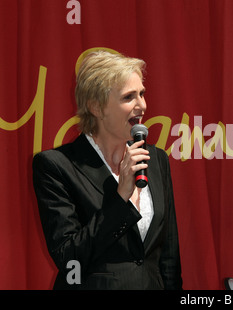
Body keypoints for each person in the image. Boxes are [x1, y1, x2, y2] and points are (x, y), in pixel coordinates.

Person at [33, 51, 183, 289]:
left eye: (142, 94)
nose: (141, 105)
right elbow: (69, 258)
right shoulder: (57, 166)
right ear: (96, 107)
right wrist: (121, 197)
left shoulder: (155, 159)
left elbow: (168, 256)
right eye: (128, 97)